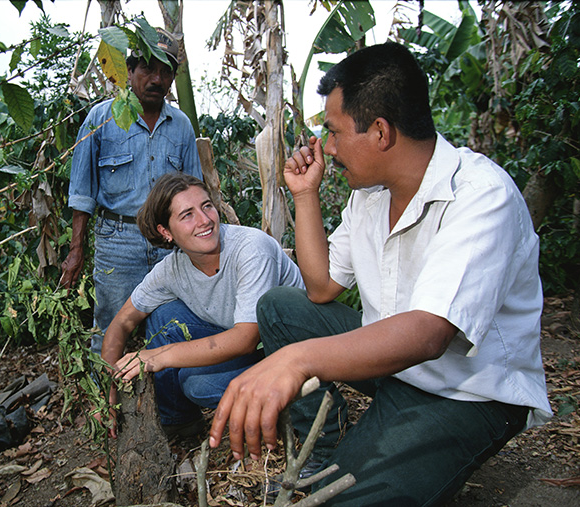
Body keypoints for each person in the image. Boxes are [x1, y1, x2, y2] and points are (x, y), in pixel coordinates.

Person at [209, 42, 552, 505]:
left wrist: (296, 360)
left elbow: (429, 334)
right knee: (280, 308)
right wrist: (306, 195)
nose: (327, 148)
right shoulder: (371, 195)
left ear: (380, 132)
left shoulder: (481, 195)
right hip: (399, 369)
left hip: (465, 391)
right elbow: (321, 286)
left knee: (338, 500)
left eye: (333, 132)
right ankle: (324, 448)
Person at [101, 173, 305, 438]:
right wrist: (108, 393)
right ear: (166, 232)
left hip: (289, 349)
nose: (205, 220)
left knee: (199, 385)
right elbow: (121, 323)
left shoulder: (251, 248)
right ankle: (179, 423)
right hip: (246, 342)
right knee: (164, 317)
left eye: (207, 205)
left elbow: (246, 338)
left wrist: (159, 356)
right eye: (187, 215)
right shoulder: (171, 270)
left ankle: (289, 409)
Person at [61, 28, 202, 354]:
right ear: (130, 72)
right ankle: (105, 402)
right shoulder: (101, 118)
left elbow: (193, 189)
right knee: (110, 327)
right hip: (117, 240)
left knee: (169, 324)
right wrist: (76, 249)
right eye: (148, 69)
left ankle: (165, 403)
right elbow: (82, 191)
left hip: (168, 242)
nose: (157, 79)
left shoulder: (180, 126)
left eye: (165, 71)